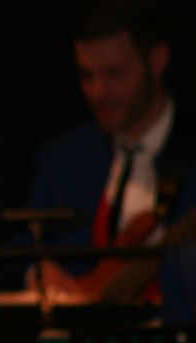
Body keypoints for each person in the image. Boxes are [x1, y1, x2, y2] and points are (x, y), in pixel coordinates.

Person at [26, 0, 196, 299]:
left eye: (115, 74)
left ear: (157, 60)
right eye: (86, 76)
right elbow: (22, 246)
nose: (98, 92)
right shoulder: (64, 158)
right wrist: (39, 271)